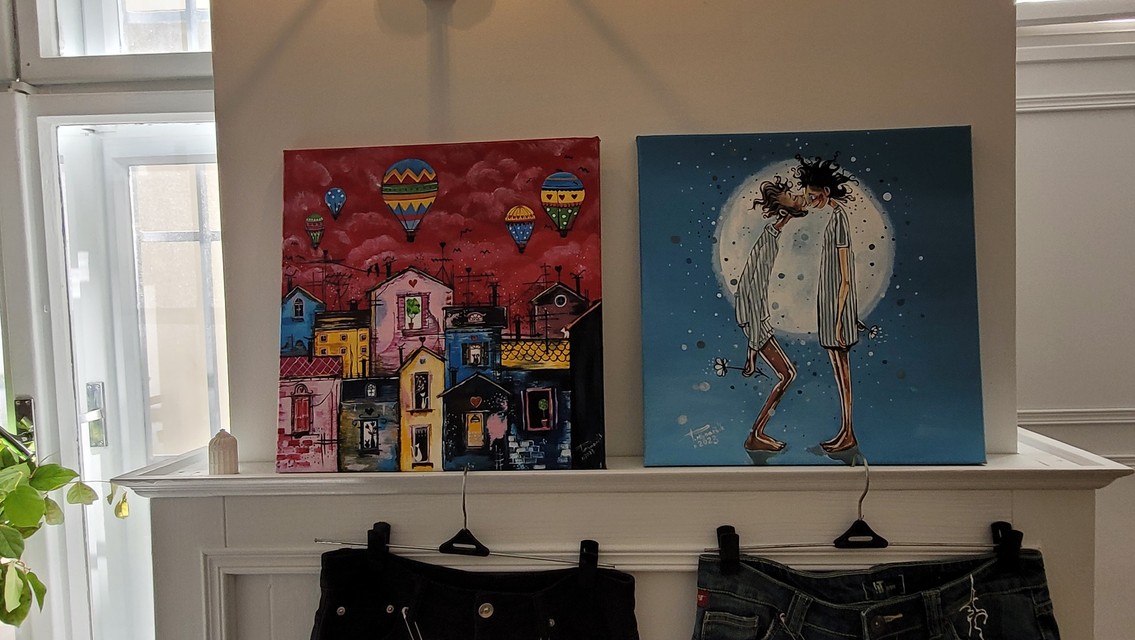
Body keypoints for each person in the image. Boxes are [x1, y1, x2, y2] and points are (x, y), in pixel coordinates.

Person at [794, 154, 862, 453]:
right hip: (829, 307)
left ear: (825, 192)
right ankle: (844, 432)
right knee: (838, 373)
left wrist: (838, 320)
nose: (810, 202)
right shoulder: (833, 219)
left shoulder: (839, 220)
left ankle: (849, 433)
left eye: (813, 196)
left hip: (837, 310)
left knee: (843, 374)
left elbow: (845, 278)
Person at [735, 176, 807, 452]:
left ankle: (757, 433)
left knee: (787, 375)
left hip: (754, 320)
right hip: (757, 321)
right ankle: (756, 434)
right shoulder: (767, 244)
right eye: (791, 196)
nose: (797, 196)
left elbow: (748, 289)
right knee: (787, 375)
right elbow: (752, 291)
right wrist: (752, 351)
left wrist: (751, 353)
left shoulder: (769, 235)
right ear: (783, 209)